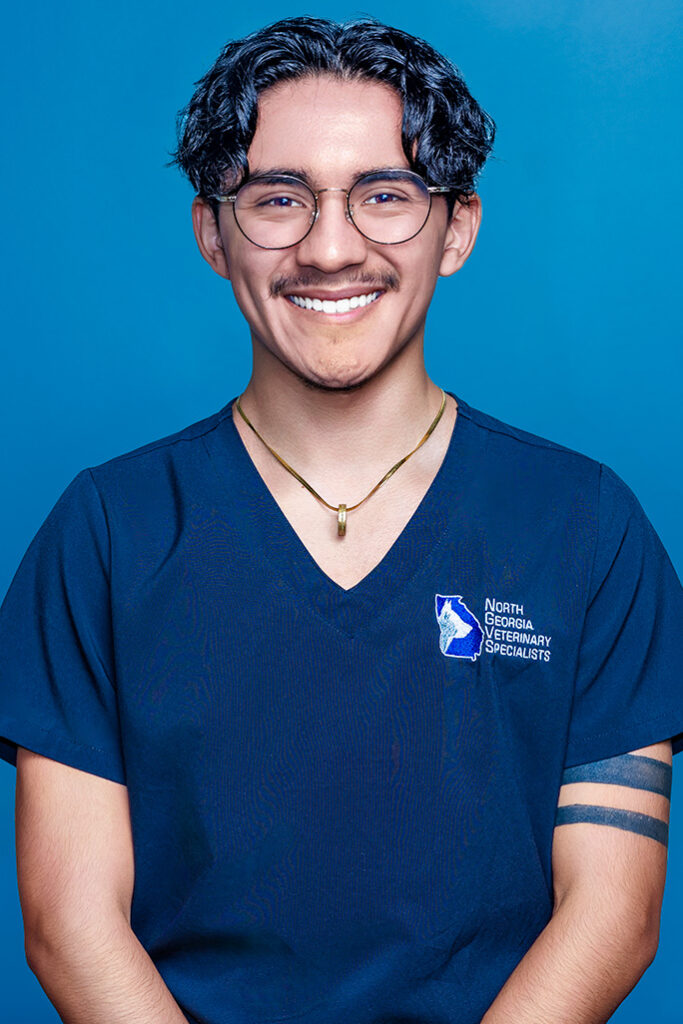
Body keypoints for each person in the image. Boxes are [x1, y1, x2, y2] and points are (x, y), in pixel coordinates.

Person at [0, 15, 681, 1024]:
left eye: (383, 196)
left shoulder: (583, 527)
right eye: (277, 198)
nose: (329, 246)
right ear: (211, 232)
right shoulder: (106, 532)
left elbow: (611, 913)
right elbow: (69, 919)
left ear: (455, 230)